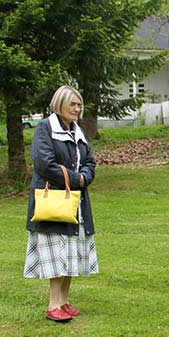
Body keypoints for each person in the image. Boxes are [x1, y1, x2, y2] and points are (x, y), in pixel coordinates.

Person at [24, 85, 98, 322]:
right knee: (57, 253)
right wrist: (77, 179)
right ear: (60, 104)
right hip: (54, 200)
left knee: (71, 251)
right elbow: (44, 164)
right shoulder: (46, 128)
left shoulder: (78, 130)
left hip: (75, 201)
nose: (77, 109)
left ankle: (64, 301)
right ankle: (53, 304)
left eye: (79, 105)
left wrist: (86, 176)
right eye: (73, 104)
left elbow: (89, 161)